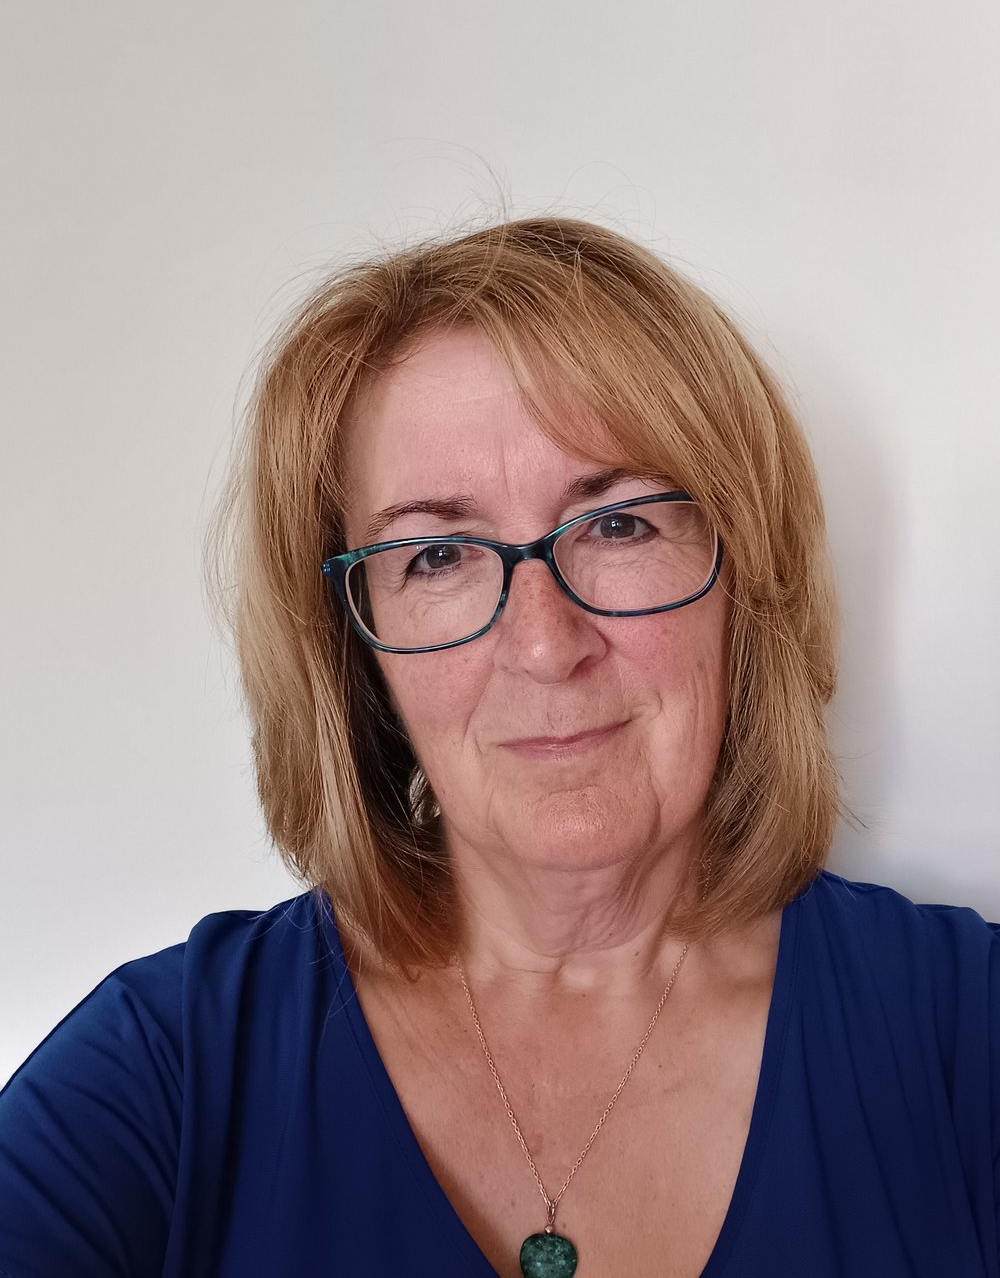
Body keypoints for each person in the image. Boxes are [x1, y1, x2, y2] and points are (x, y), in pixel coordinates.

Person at [0, 218, 996, 1278]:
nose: (543, 644)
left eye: (617, 524)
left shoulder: (962, 1037)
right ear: (351, 648)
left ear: (744, 577)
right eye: (437, 554)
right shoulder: (169, 1075)